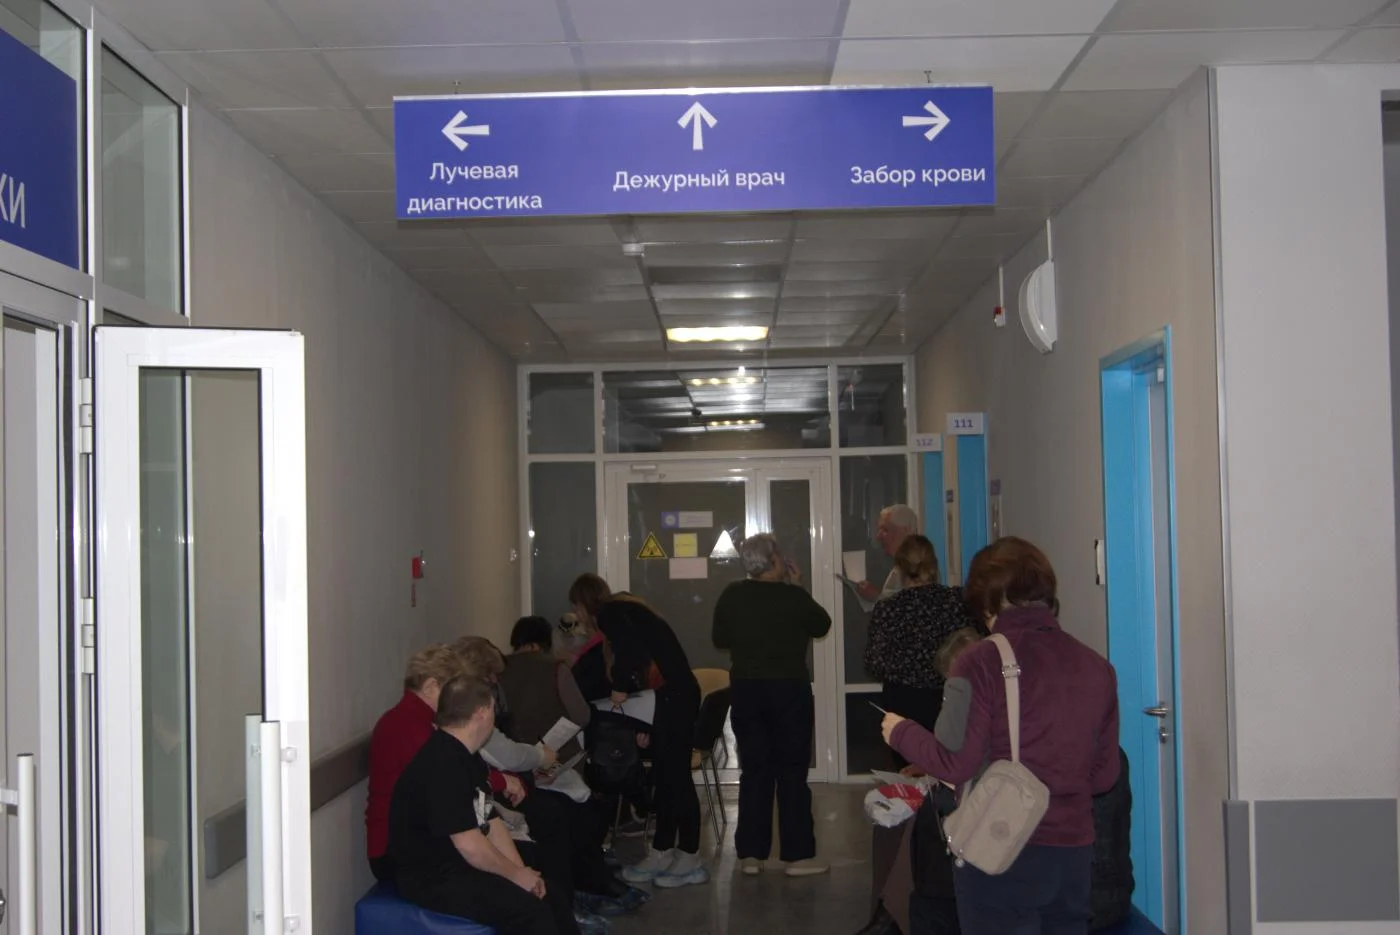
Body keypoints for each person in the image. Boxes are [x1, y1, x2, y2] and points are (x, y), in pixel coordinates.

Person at [880, 537, 1121, 935]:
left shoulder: (980, 661)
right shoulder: (1097, 667)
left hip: (1003, 847)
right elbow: (1104, 775)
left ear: (987, 602)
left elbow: (955, 763)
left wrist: (901, 732)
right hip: (1074, 854)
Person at [388, 675, 580, 935]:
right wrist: (515, 876)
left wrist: (521, 871)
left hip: (456, 861)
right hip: (430, 876)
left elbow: (490, 821)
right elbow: (469, 845)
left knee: (549, 894)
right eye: (492, 709)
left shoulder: (468, 756)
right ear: (482, 712)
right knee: (530, 911)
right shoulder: (442, 764)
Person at [501, 616, 649, 914]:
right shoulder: (555, 668)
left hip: (515, 768)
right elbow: (581, 715)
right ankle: (590, 877)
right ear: (543, 642)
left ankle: (585, 876)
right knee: (582, 804)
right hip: (557, 760)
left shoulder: (499, 671)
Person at [569, 573, 708, 889]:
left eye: (576, 607)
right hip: (671, 698)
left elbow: (629, 655)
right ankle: (663, 850)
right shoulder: (626, 607)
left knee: (675, 779)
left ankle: (689, 854)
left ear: (583, 603)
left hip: (673, 699)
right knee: (666, 777)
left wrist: (619, 689)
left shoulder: (610, 614)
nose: (576, 615)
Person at [713, 533, 832, 877]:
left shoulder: (732, 595)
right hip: (788, 691)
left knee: (755, 770)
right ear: (774, 561)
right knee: (792, 771)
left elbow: (720, 638)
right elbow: (821, 625)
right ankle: (797, 856)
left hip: (747, 690)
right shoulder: (792, 597)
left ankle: (751, 855)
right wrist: (798, 586)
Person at [365, 644, 465, 883]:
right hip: (396, 852)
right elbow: (446, 777)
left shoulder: (410, 721)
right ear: (431, 687)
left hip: (403, 843)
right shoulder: (407, 727)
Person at [866, 535, 983, 738]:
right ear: (934, 565)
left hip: (902, 701)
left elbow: (874, 663)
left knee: (906, 754)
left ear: (900, 569)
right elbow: (976, 645)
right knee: (948, 752)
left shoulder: (888, 609)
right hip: (949, 696)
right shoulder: (956, 602)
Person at [857, 505, 919, 602]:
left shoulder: (920, 568)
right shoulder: (897, 565)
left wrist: (876, 596)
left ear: (904, 532)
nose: (878, 536)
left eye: (885, 530)